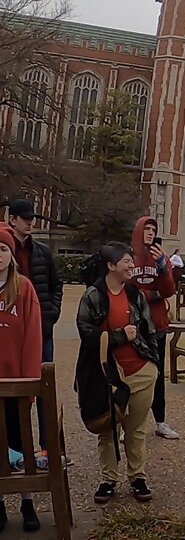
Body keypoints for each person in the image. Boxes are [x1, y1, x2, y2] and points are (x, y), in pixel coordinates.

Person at [76, 242, 161, 506]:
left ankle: (138, 477)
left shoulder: (135, 294)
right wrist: (118, 336)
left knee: (136, 429)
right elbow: (85, 333)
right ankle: (108, 479)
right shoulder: (93, 296)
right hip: (107, 374)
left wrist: (153, 364)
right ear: (111, 266)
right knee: (108, 428)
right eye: (126, 261)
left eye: (132, 261)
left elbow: (149, 330)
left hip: (140, 371)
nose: (132, 266)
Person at [6, 199, 62, 453]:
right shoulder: (5, 249)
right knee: (13, 388)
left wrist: (50, 314)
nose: (30, 222)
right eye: (25, 217)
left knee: (44, 386)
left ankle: (47, 446)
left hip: (42, 329)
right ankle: (14, 447)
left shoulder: (42, 251)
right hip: (12, 332)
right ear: (12, 219)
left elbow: (55, 285)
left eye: (32, 218)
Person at [0, 224, 45, 532]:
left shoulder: (24, 288)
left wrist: (30, 383)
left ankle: (28, 502)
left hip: (17, 381)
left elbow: (33, 338)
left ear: (11, 254)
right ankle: (0, 503)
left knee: (22, 443)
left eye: (2, 249)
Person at [127, 217, 180, 441]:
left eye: (153, 230)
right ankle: (128, 423)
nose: (150, 233)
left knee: (157, 374)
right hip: (133, 325)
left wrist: (162, 269)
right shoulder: (129, 257)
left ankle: (160, 421)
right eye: (146, 229)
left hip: (157, 325)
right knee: (130, 374)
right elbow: (128, 290)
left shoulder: (161, 258)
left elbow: (168, 290)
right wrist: (151, 294)